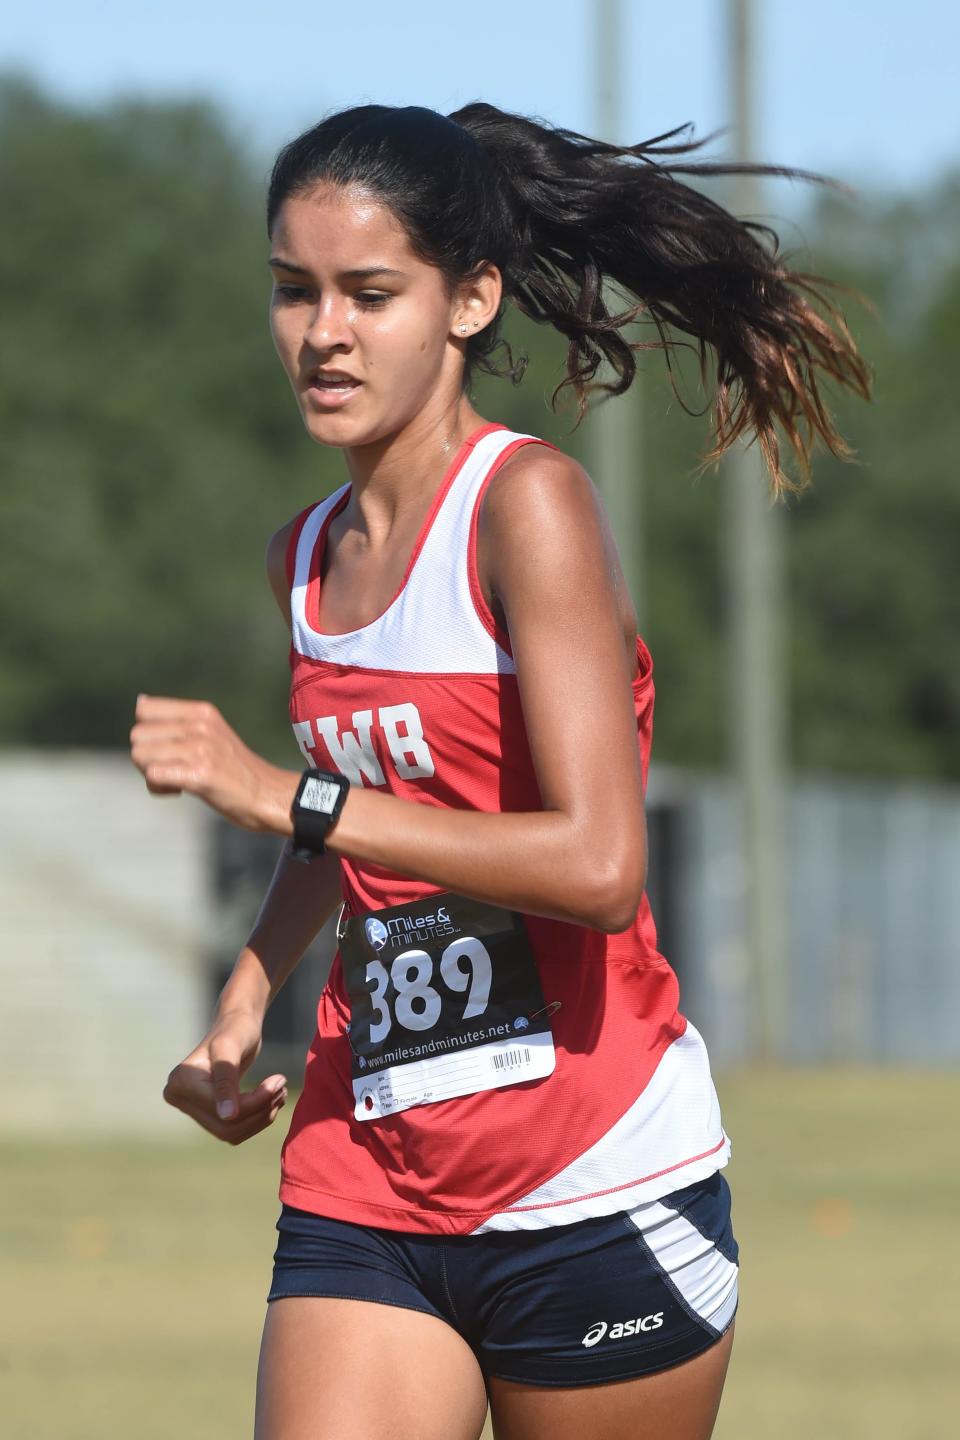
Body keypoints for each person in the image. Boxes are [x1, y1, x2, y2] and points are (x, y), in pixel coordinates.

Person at [129, 103, 869, 1440]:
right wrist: (245, 998)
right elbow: (360, 827)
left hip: (590, 1180)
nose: (323, 333)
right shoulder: (304, 554)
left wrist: (283, 792)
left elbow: (595, 867)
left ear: (471, 300)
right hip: (370, 1170)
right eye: (294, 292)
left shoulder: (527, 506)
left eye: (370, 293)